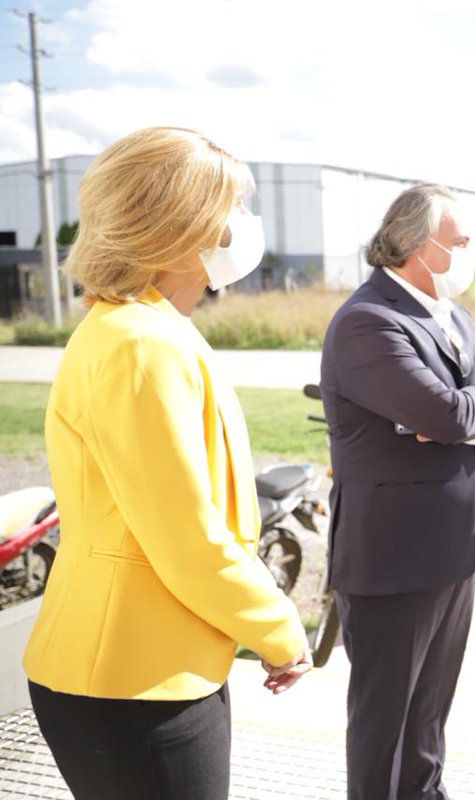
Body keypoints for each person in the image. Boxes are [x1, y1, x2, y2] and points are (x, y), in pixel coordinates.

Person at [23, 127, 312, 800]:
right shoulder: (141, 343)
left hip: (142, 666)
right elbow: (186, 536)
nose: (245, 222)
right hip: (135, 680)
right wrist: (278, 629)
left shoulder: (141, 328)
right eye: (235, 206)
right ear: (182, 222)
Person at [320, 183, 475, 800]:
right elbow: (450, 416)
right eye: (459, 241)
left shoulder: (453, 315)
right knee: (386, 726)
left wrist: (470, 413)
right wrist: (467, 413)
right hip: (393, 561)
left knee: (429, 720)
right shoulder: (367, 322)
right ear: (417, 245)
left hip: (456, 550)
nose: (468, 251)